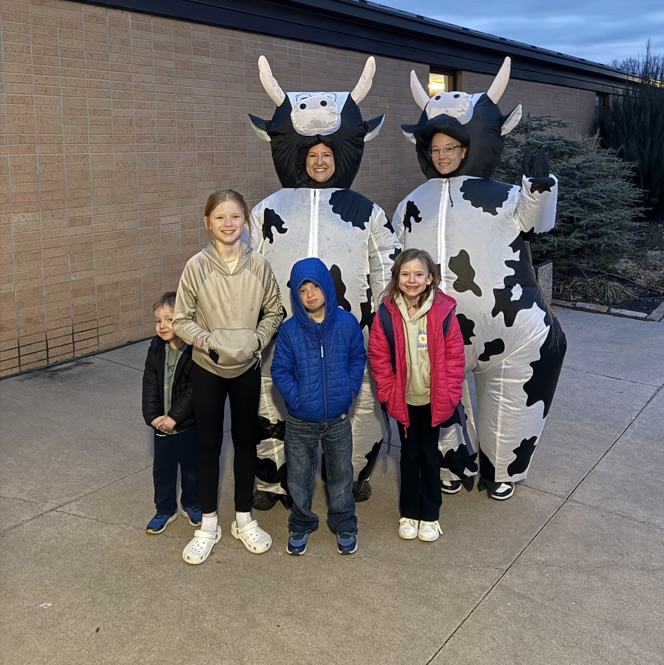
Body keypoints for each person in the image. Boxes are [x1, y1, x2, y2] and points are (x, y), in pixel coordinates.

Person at [394, 59, 567, 501]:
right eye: (436, 149)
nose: (444, 155)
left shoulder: (508, 196)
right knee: (433, 404)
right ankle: (452, 466)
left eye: (452, 147)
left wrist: (541, 188)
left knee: (511, 400)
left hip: (507, 328)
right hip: (434, 329)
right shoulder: (413, 202)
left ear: (468, 148)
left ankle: (502, 469)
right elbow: (391, 258)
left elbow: (537, 221)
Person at [248, 56, 399, 509]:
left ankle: (349, 475)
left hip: (348, 329)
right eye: (312, 155)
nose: (319, 162)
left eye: (326, 155)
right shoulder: (269, 208)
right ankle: (273, 479)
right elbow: (251, 265)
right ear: (300, 157)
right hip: (284, 330)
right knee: (272, 400)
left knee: (357, 402)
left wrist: (381, 322)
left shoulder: (366, 210)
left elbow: (383, 266)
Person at [173, 190, 284, 565]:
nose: (228, 224)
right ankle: (208, 524)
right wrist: (209, 343)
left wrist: (257, 340)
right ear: (207, 222)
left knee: (245, 443)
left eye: (235, 216)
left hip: (247, 370)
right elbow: (181, 320)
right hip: (208, 368)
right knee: (207, 445)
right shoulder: (196, 266)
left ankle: (242, 519)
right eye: (220, 217)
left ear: (245, 221)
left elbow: (274, 311)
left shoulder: (260, 266)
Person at [270, 257, 366, 556]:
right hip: (300, 421)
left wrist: (349, 389)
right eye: (302, 290)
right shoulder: (289, 331)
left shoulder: (347, 322)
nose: (310, 294)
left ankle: (344, 523)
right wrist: (296, 399)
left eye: (315, 286)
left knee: (340, 475)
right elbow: (280, 370)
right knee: (298, 477)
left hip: (338, 419)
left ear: (327, 286)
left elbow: (357, 358)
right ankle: (301, 522)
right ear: (296, 296)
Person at [368, 249, 465, 542]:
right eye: (406, 274)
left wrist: (449, 395)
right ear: (397, 277)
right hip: (404, 400)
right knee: (409, 456)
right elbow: (378, 357)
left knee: (430, 455)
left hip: (433, 399)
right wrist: (386, 393)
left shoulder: (443, 311)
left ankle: (431, 515)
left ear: (430, 278)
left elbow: (455, 357)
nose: (412, 280)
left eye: (419, 274)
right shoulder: (386, 312)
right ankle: (409, 512)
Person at [141, 291, 201, 534]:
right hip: (161, 425)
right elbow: (150, 385)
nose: (162, 325)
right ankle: (165, 509)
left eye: (169, 319)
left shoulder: (194, 350)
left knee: (192, 468)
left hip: (188, 424)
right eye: (158, 320)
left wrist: (174, 417)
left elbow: (193, 390)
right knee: (162, 470)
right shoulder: (155, 349)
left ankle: (192, 503)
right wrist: (153, 417)